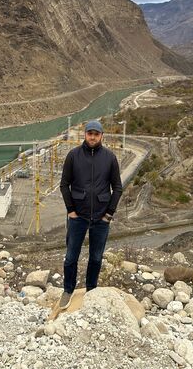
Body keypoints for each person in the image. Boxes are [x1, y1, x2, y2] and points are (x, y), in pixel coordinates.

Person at [58, 119, 123, 309]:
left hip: (101, 218)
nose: (93, 137)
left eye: (96, 134)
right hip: (78, 217)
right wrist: (71, 210)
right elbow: (64, 185)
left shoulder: (110, 158)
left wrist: (109, 214)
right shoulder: (73, 156)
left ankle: (91, 290)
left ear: (102, 136)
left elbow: (117, 188)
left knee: (96, 258)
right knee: (71, 257)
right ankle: (68, 290)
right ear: (85, 134)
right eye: (90, 133)